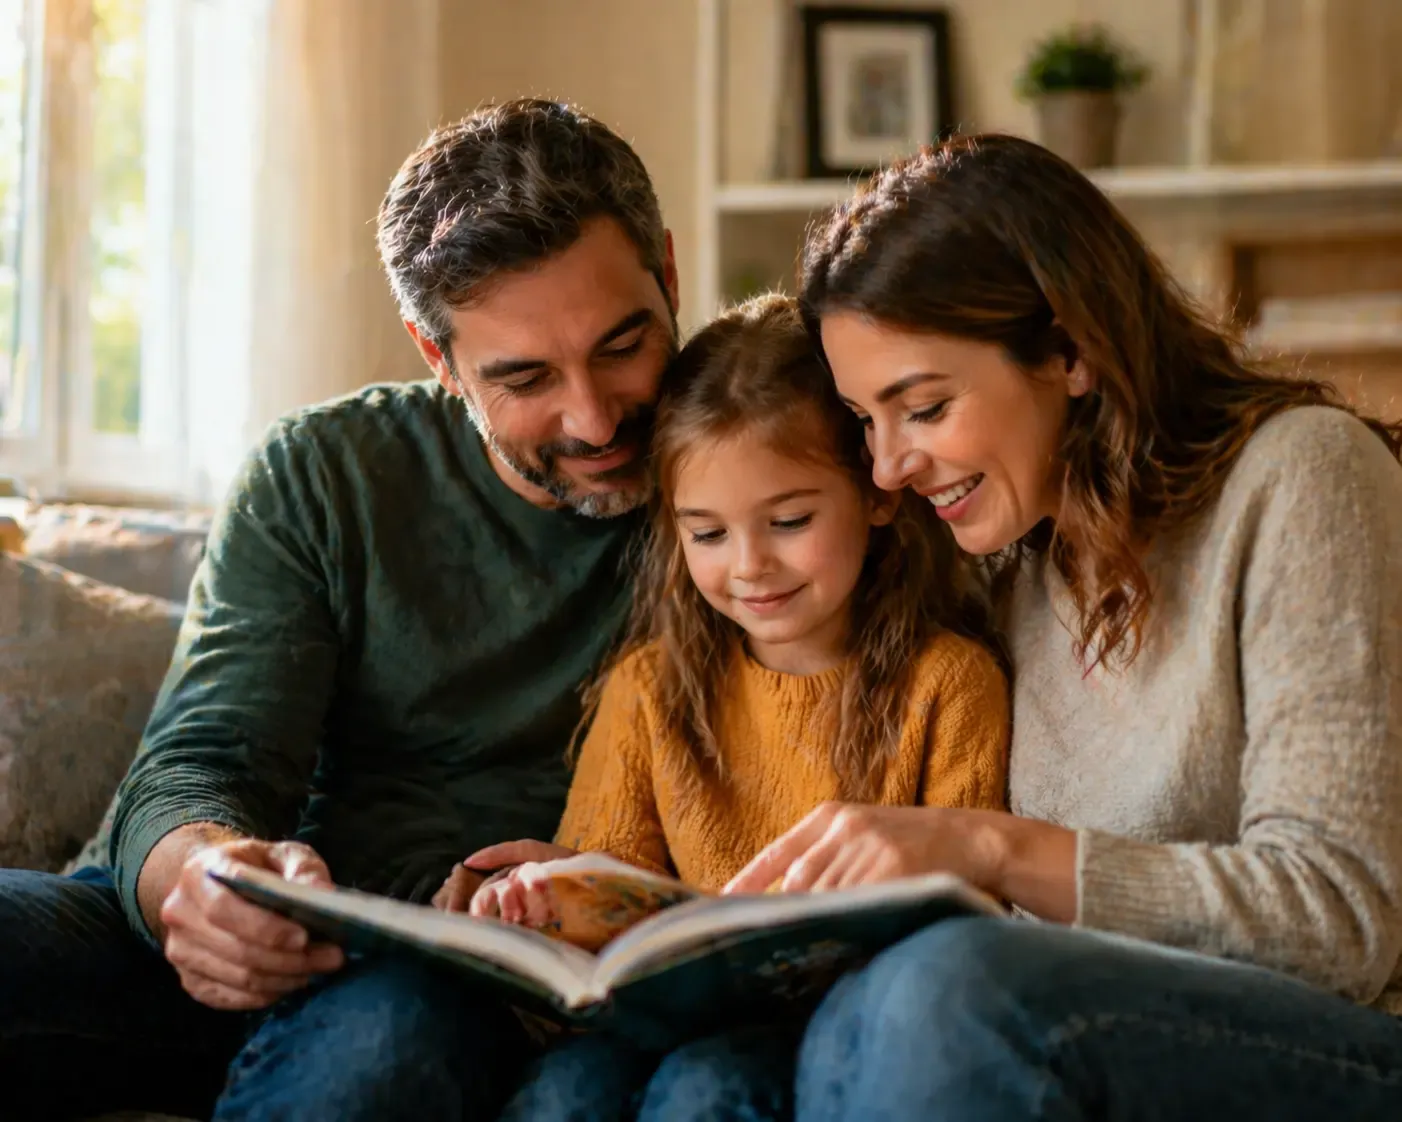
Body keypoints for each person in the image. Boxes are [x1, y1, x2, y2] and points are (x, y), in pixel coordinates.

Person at [0, 98, 681, 1121]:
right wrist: (206, 878)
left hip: (448, 984)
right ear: (435, 355)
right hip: (221, 943)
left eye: (624, 345)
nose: (593, 417)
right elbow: (204, 759)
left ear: (670, 275)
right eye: (526, 378)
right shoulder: (326, 472)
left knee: (393, 1031)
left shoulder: (759, 480)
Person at [719, 133, 1402, 1120]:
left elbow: (1341, 920)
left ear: (1071, 350)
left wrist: (994, 851)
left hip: (1343, 1048)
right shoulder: (1010, 563)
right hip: (1098, 1039)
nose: (887, 467)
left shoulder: (1302, 478)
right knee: (811, 1038)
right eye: (866, 421)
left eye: (922, 407)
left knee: (953, 995)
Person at [451, 294, 1009, 1121]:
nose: (749, 566)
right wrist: (542, 902)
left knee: (706, 1086)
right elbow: (598, 894)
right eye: (706, 535)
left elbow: (965, 919)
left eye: (788, 521)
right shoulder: (650, 688)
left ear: (878, 496)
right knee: (567, 1091)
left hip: (838, 1033)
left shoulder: (948, 683)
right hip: (658, 1025)